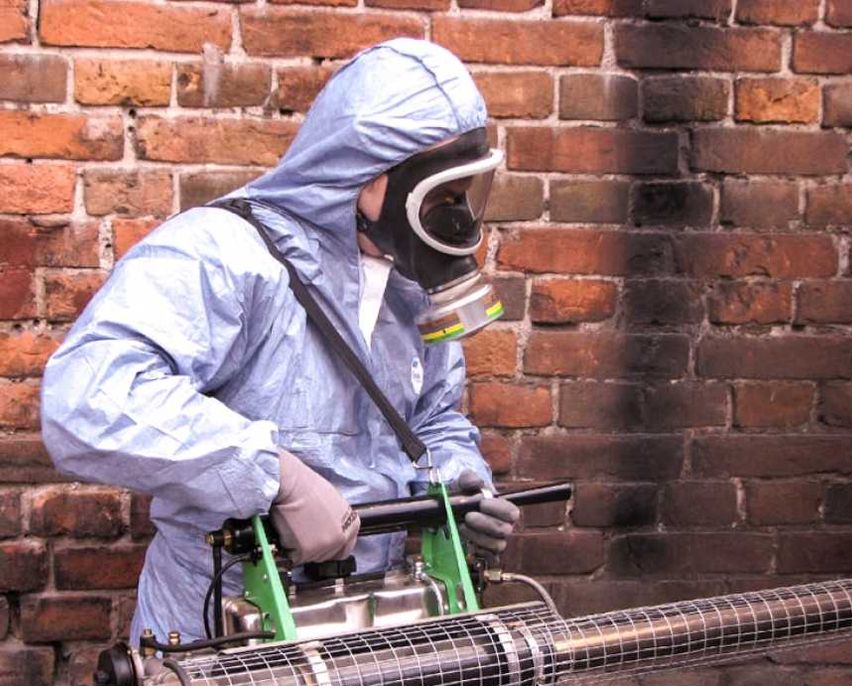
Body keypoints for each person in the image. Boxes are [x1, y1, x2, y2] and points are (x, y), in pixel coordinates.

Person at [41, 38, 520, 645]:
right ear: (369, 178)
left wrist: (459, 485)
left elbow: (432, 419)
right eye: (443, 196)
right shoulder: (223, 255)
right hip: (222, 630)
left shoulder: (408, 286)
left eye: (467, 194)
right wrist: (272, 475)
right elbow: (88, 399)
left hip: (374, 629)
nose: (459, 219)